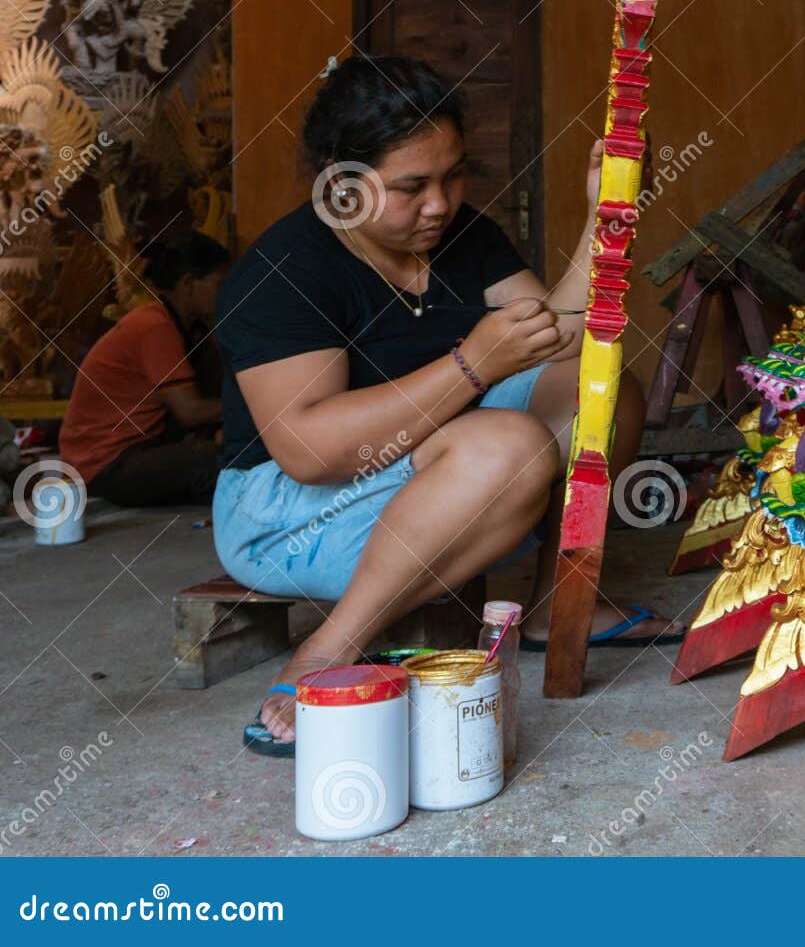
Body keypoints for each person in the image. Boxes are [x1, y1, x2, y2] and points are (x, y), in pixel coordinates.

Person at [213, 56, 679, 757]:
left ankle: (560, 599)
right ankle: (327, 645)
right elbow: (307, 450)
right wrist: (472, 365)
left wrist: (602, 215)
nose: (440, 202)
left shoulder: (462, 235)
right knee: (508, 446)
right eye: (412, 186)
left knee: (597, 383)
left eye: (454, 175)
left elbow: (555, 333)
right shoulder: (285, 272)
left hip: (419, 465)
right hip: (284, 512)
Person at [60, 230, 228, 506]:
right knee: (218, 461)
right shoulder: (155, 326)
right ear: (188, 284)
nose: (226, 293)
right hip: (105, 464)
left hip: (139, 449)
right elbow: (190, 411)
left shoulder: (190, 328)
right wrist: (255, 406)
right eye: (220, 284)